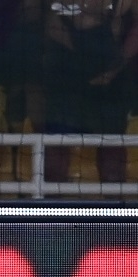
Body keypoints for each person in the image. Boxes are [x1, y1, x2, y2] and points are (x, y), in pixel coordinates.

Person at [43, 0, 138, 183]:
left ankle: (114, 198)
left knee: (111, 146)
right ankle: (52, 198)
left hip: (108, 79)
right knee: (56, 145)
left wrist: (117, 66)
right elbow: (42, 20)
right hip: (66, 76)